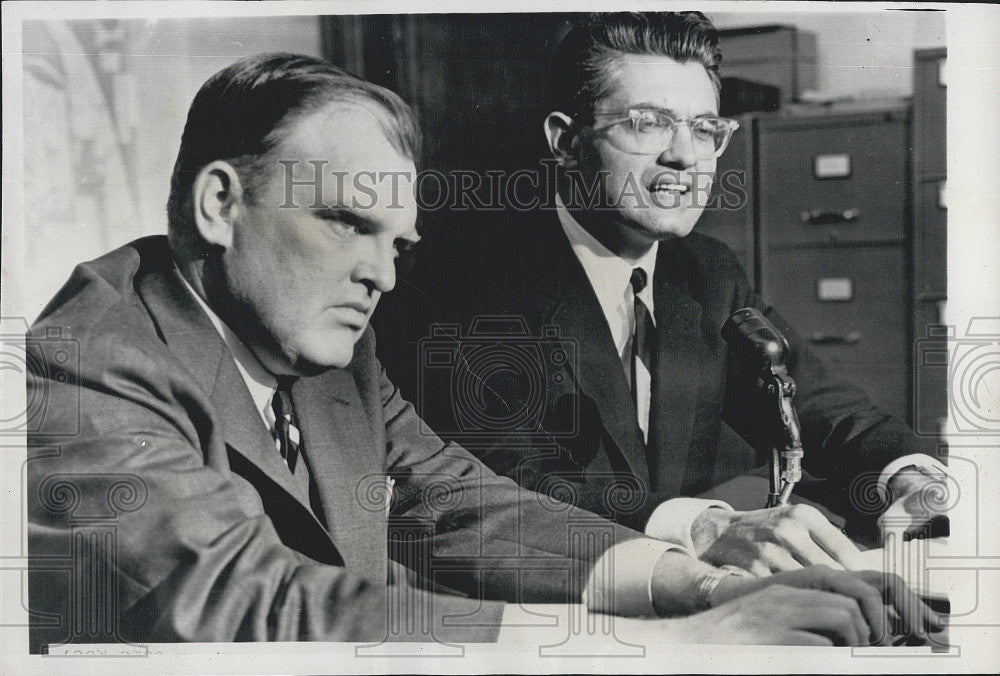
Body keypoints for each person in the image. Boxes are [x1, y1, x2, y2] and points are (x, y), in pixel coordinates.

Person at [26, 52, 936, 653]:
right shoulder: (86, 360)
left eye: (397, 243)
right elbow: (245, 609)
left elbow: (461, 505)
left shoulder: (331, 351)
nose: (381, 273)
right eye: (348, 223)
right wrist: (662, 647)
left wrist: (695, 587)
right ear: (221, 205)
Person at [372, 12, 950, 575]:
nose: (685, 156)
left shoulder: (704, 271)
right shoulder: (468, 276)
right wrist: (702, 527)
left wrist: (905, 472)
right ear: (567, 141)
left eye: (704, 128)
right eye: (648, 123)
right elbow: (507, 481)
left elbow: (810, 399)